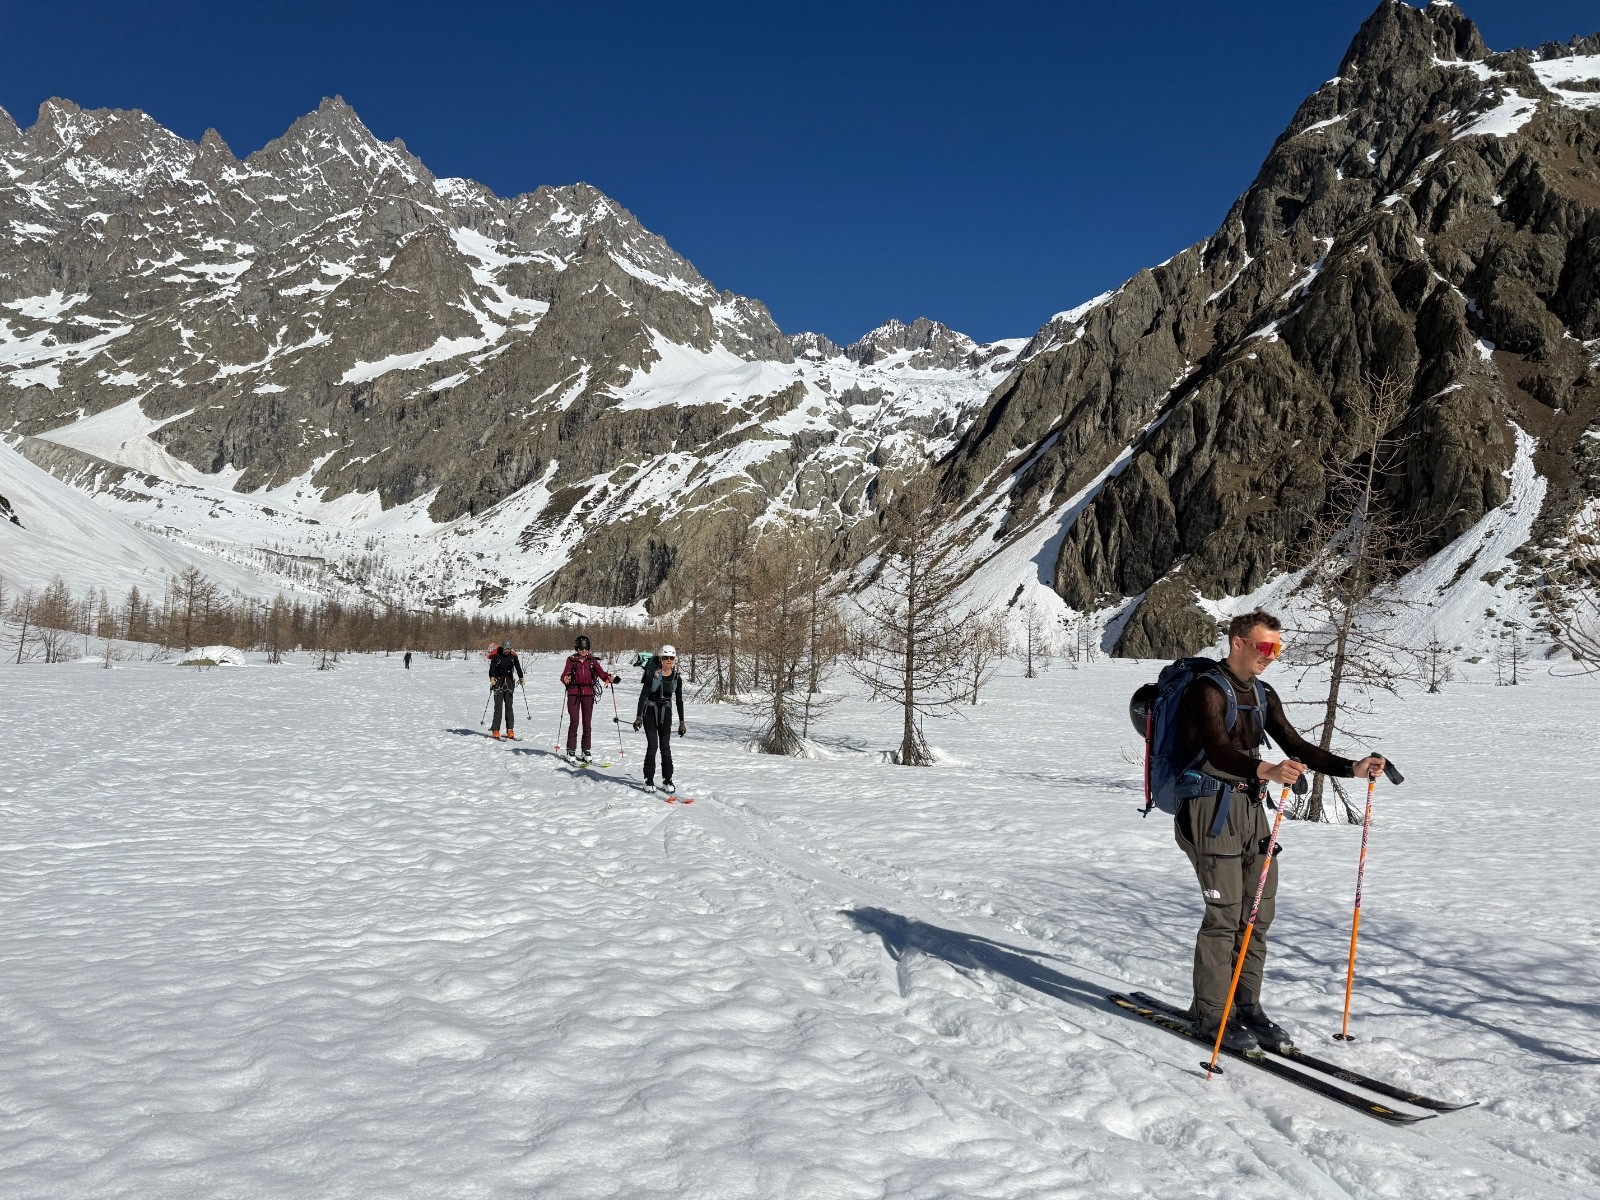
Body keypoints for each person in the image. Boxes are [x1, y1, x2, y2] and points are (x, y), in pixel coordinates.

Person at [1175, 609, 1386, 1053]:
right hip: (1211, 810)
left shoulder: (1262, 693)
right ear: (1237, 643)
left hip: (1252, 808)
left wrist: (1351, 767)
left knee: (1257, 915)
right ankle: (1211, 1015)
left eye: (1278, 648)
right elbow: (1216, 748)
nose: (1271, 656)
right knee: (1225, 918)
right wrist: (1265, 768)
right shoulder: (1206, 690)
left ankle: (1247, 1007)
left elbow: (1295, 743)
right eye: (1264, 647)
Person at [632, 644, 687, 791]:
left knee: (665, 747)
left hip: (666, 713)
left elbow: (679, 700)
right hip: (650, 711)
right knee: (653, 746)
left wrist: (682, 722)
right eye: (666, 658)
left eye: (671, 658)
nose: (669, 660)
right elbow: (643, 695)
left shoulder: (677, 678)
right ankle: (649, 779)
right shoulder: (652, 674)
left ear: (674, 660)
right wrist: (638, 716)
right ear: (661, 659)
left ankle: (667, 780)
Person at [560, 635, 615, 761]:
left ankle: (586, 750)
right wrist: (565, 678)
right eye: (581, 649)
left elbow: (601, 673)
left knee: (587, 723)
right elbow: (565, 673)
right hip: (574, 693)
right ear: (577, 648)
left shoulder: (592, 661)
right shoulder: (571, 660)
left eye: (585, 648)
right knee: (574, 722)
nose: (583, 651)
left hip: (588, 694)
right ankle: (570, 751)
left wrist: (609, 677)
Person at [488, 639, 524, 740]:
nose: (507, 650)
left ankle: (510, 730)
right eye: (505, 649)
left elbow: (518, 668)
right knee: (498, 707)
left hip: (509, 682)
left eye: (509, 649)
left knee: (509, 707)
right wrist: (492, 678)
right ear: (502, 647)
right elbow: (491, 669)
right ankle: (495, 730)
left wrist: (521, 677)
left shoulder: (513, 657)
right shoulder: (496, 657)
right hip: (498, 682)